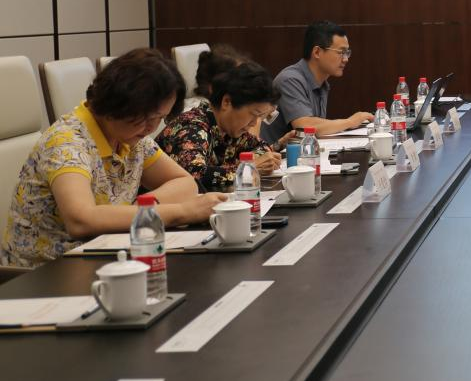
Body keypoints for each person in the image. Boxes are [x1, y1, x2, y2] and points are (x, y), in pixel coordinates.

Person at [0, 49, 227, 268]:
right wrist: (181, 212)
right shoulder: (67, 142)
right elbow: (81, 220)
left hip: (106, 255)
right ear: (117, 103)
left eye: (160, 118)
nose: (152, 127)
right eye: (148, 117)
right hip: (47, 272)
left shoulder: (131, 137)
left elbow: (184, 182)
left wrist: (143, 210)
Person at [158, 61, 290, 193]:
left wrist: (255, 163)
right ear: (227, 102)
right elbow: (194, 175)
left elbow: (261, 147)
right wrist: (249, 168)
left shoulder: (229, 128)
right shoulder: (193, 127)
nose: (254, 123)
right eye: (254, 114)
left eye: (260, 116)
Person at [262, 20, 374, 143]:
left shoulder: (322, 83)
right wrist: (350, 122)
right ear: (317, 52)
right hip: (276, 153)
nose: (346, 59)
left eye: (347, 53)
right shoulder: (289, 80)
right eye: (341, 52)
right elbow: (305, 127)